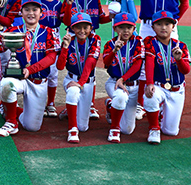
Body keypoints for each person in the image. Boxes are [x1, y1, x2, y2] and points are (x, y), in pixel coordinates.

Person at [128, 0, 190, 119]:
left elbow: (185, 3)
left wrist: (174, 21)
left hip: (169, 26)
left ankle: (166, 101)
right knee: (142, 63)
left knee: (170, 62)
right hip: (148, 26)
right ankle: (142, 103)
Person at [0, 0, 59, 137]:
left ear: (41, 13)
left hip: (38, 82)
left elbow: (51, 58)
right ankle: (11, 122)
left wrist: (30, 69)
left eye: (34, 10)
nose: (31, 13)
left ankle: (8, 108)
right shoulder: (13, 30)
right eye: (27, 10)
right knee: (7, 84)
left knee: (32, 127)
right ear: (21, 12)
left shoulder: (49, 32)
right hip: (19, 79)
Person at [60, 0, 111, 120]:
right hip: (73, 36)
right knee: (73, 66)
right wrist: (68, 6)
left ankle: (90, 105)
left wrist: (111, 17)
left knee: (90, 70)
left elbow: (100, 18)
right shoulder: (68, 0)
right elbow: (66, 21)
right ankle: (71, 103)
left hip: (91, 36)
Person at [143, 10, 190, 144]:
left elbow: (186, 70)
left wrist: (179, 59)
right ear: (153, 27)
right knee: (150, 96)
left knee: (171, 131)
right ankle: (154, 128)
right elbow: (149, 64)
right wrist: (149, 83)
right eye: (159, 24)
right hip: (159, 86)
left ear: (173, 26)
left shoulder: (181, 46)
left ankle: (162, 113)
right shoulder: (150, 42)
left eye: (167, 24)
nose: (163, 27)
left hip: (177, 90)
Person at [56, 13, 101, 143]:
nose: (82, 31)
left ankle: (72, 110)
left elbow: (91, 62)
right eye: (78, 27)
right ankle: (72, 130)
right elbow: (60, 67)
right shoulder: (69, 41)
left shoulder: (95, 39)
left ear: (91, 28)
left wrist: (80, 82)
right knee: (73, 92)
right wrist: (65, 47)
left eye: (85, 27)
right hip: (71, 79)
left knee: (84, 127)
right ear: (72, 28)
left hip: (86, 82)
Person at [102, 12, 143, 143]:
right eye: (121, 27)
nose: (125, 31)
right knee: (120, 97)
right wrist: (114, 51)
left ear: (134, 28)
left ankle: (110, 106)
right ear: (115, 28)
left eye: (129, 27)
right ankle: (114, 129)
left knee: (127, 130)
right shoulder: (109, 44)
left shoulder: (138, 42)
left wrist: (123, 78)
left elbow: (137, 64)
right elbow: (106, 63)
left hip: (133, 86)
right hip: (114, 83)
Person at [35, 0, 62, 118]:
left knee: (53, 72)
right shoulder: (36, 2)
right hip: (39, 35)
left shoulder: (59, 4)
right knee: (36, 66)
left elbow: (66, 20)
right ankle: (36, 102)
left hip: (54, 36)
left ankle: (50, 103)